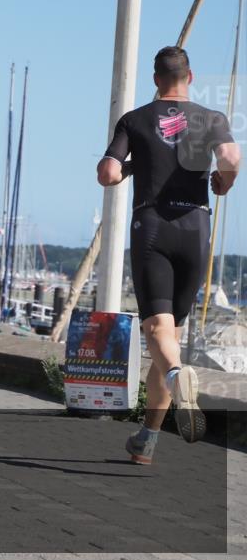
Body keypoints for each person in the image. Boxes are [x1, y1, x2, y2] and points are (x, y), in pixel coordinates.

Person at [97, 46, 239, 464]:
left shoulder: (135, 120)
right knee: (170, 336)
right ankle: (148, 439)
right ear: (189, 78)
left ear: (156, 78)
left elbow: (107, 172)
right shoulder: (211, 119)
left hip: (153, 226)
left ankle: (178, 378)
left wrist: (126, 169)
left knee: (158, 332)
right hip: (195, 228)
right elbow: (230, 157)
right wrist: (224, 182)